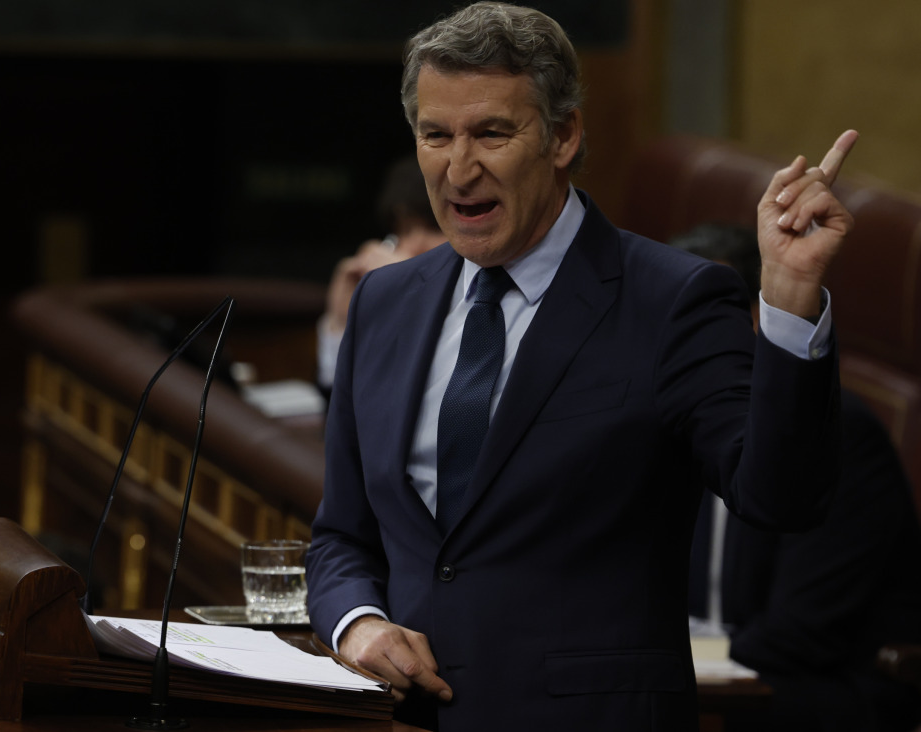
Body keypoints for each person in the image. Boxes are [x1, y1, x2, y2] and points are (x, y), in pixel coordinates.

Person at [306, 2, 857, 729]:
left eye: (492, 133)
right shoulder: (385, 300)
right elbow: (342, 535)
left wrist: (788, 301)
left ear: (563, 135)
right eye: (435, 135)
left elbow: (781, 497)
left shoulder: (672, 299)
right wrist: (359, 624)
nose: (458, 168)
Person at [675, 224, 921, 731]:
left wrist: (668, 661)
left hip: (840, 688)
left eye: (708, 323)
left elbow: (805, 632)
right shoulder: (672, 420)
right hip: (721, 670)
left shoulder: (835, 433)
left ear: (761, 320)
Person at [318, 156, 449, 392]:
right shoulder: (375, 280)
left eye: (433, 228)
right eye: (405, 231)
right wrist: (342, 321)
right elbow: (337, 387)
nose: (415, 244)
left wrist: (412, 285)